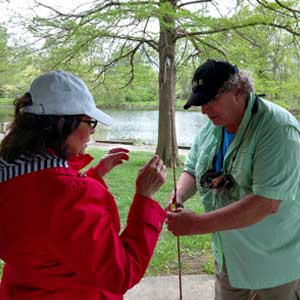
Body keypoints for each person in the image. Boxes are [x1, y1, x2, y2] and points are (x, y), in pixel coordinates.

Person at [0, 71, 167, 300]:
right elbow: (120, 272)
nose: (93, 130)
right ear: (62, 123)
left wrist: (95, 174)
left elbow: (44, 212)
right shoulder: (71, 194)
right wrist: (145, 198)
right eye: (89, 121)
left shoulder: (9, 171)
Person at [166, 59, 300, 300]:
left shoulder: (278, 130)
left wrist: (195, 224)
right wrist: (179, 195)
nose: (205, 111)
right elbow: (193, 170)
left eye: (211, 100)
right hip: (230, 257)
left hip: (274, 261)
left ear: (239, 90)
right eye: (200, 103)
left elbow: (266, 203)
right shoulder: (213, 125)